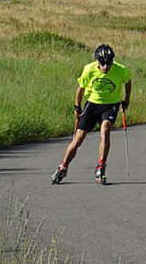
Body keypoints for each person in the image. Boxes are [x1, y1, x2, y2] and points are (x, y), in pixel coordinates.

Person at [52, 44, 132, 185]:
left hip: (110, 104)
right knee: (78, 139)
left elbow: (128, 82)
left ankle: (101, 167)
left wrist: (126, 100)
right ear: (97, 62)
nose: (106, 67)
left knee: (105, 131)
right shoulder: (89, 69)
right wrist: (77, 107)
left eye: (109, 63)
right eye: (102, 64)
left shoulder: (121, 70)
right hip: (92, 104)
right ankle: (63, 167)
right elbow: (80, 89)